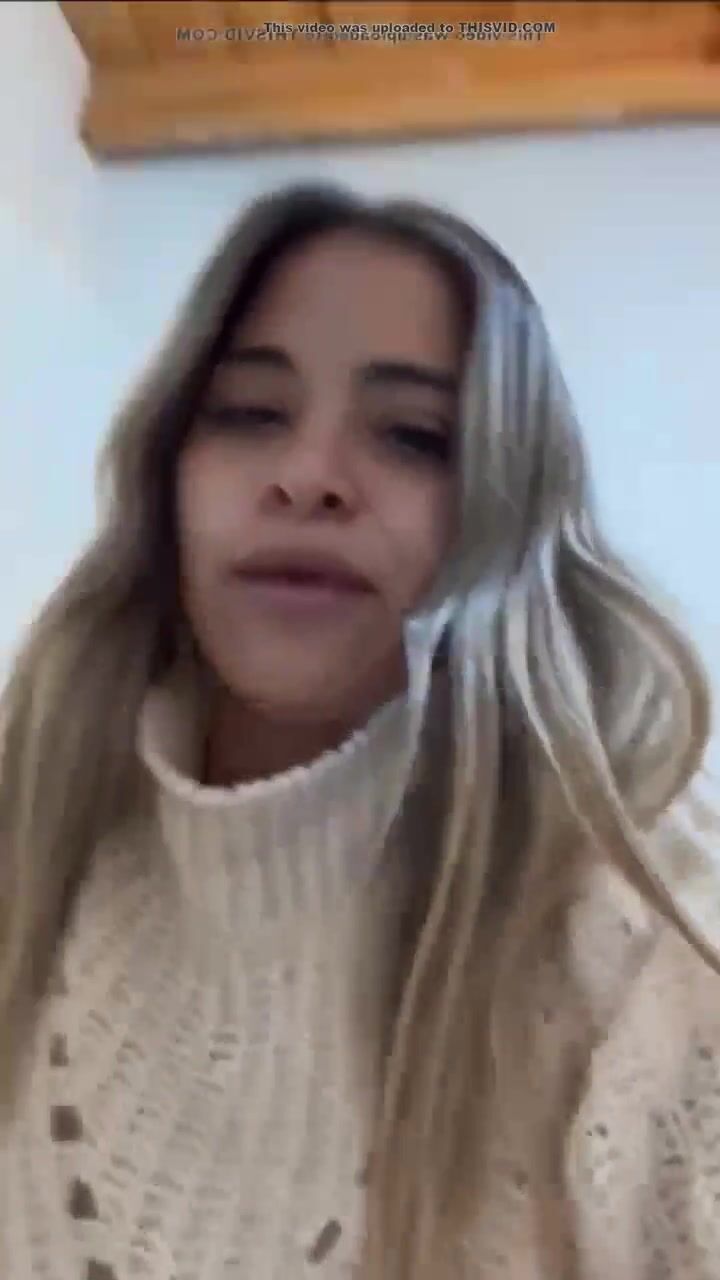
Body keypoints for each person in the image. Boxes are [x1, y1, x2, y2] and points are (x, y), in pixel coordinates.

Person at [1, 183, 719, 1280]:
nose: (308, 478)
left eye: (413, 436)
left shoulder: (652, 957)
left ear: (507, 509)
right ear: (165, 475)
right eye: (249, 412)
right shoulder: (32, 865)